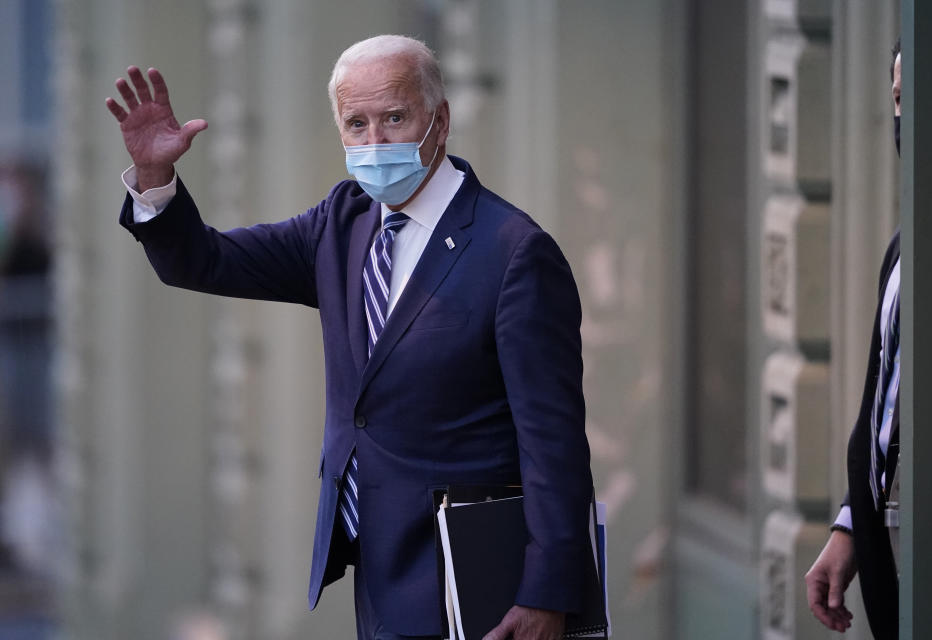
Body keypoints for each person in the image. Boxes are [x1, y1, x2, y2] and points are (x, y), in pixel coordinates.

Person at [105, 35, 594, 640]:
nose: (374, 143)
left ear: (439, 121)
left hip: (476, 574)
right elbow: (203, 262)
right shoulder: (343, 222)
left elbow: (554, 443)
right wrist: (156, 176)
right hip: (378, 565)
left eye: (394, 118)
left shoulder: (514, 252)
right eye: (355, 124)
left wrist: (547, 592)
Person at [805, 39, 902, 640]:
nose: (904, 119)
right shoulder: (905, 246)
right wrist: (852, 526)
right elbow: (887, 407)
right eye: (897, 100)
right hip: (891, 547)